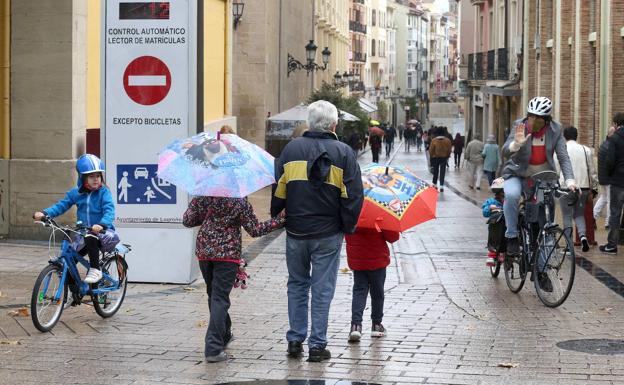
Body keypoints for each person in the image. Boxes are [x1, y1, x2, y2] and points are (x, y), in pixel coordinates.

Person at [271, 100, 364, 362]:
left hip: (297, 231)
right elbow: (354, 196)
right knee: (322, 288)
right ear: (334, 124)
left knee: (297, 284)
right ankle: (317, 345)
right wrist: (346, 226)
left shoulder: (291, 150)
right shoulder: (344, 152)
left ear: (310, 123)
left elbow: (279, 189)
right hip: (328, 233)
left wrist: (279, 215)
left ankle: (294, 340)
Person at [183, 195, 285, 363]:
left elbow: (187, 220)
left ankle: (224, 334)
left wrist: (205, 214)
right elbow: (255, 229)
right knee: (219, 298)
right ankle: (213, 348)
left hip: (204, 252)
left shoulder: (202, 197)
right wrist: (280, 219)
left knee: (214, 295)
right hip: (227, 255)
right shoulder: (238, 200)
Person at [501, 96, 576, 267]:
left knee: (544, 225)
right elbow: (505, 151)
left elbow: (563, 157)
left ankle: (541, 272)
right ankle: (512, 236)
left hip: (542, 179)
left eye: (539, 118)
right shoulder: (520, 125)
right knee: (511, 195)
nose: (534, 120)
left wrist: (570, 181)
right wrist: (515, 145)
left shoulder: (556, 130)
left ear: (547, 120)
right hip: (517, 174)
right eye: (531, 116)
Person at [33, 154, 119, 284]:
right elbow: (61, 205)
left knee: (91, 237)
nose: (96, 179)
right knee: (69, 260)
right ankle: (74, 292)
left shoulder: (104, 192)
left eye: (98, 175)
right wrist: (44, 213)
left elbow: (109, 210)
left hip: (103, 234)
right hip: (83, 233)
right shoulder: (76, 193)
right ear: (82, 177)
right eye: (91, 176)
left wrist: (102, 224)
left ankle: (95, 269)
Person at [345, 226, 400, 342]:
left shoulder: (352, 210)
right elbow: (393, 237)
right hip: (377, 259)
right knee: (377, 293)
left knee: (359, 291)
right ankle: (376, 325)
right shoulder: (380, 213)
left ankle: (356, 326)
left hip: (358, 259)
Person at [554, 126, 598, 252]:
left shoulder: (561, 149)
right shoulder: (586, 150)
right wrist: (594, 188)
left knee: (567, 215)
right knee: (579, 214)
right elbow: (592, 170)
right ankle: (583, 236)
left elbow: (557, 169)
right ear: (576, 135)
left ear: (564, 136)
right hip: (583, 187)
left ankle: (569, 245)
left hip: (565, 187)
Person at [599, 113, 624, 254]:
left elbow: (609, 161)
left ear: (615, 124)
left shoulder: (614, 139)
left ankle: (612, 245)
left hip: (618, 181)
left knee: (615, 213)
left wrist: (609, 174)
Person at [482, 178, 506, 267]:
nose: (503, 196)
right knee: (495, 233)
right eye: (502, 193)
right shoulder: (491, 201)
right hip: (496, 227)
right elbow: (485, 212)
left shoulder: (509, 201)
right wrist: (490, 208)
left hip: (506, 226)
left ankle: (503, 252)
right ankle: (492, 253)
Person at [429, 127, 453, 192]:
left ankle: (435, 184)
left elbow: (430, 150)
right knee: (442, 172)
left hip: (435, 158)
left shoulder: (434, 140)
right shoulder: (447, 140)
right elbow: (449, 150)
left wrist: (432, 156)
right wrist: (447, 155)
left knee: (436, 171)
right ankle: (442, 186)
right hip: (444, 158)